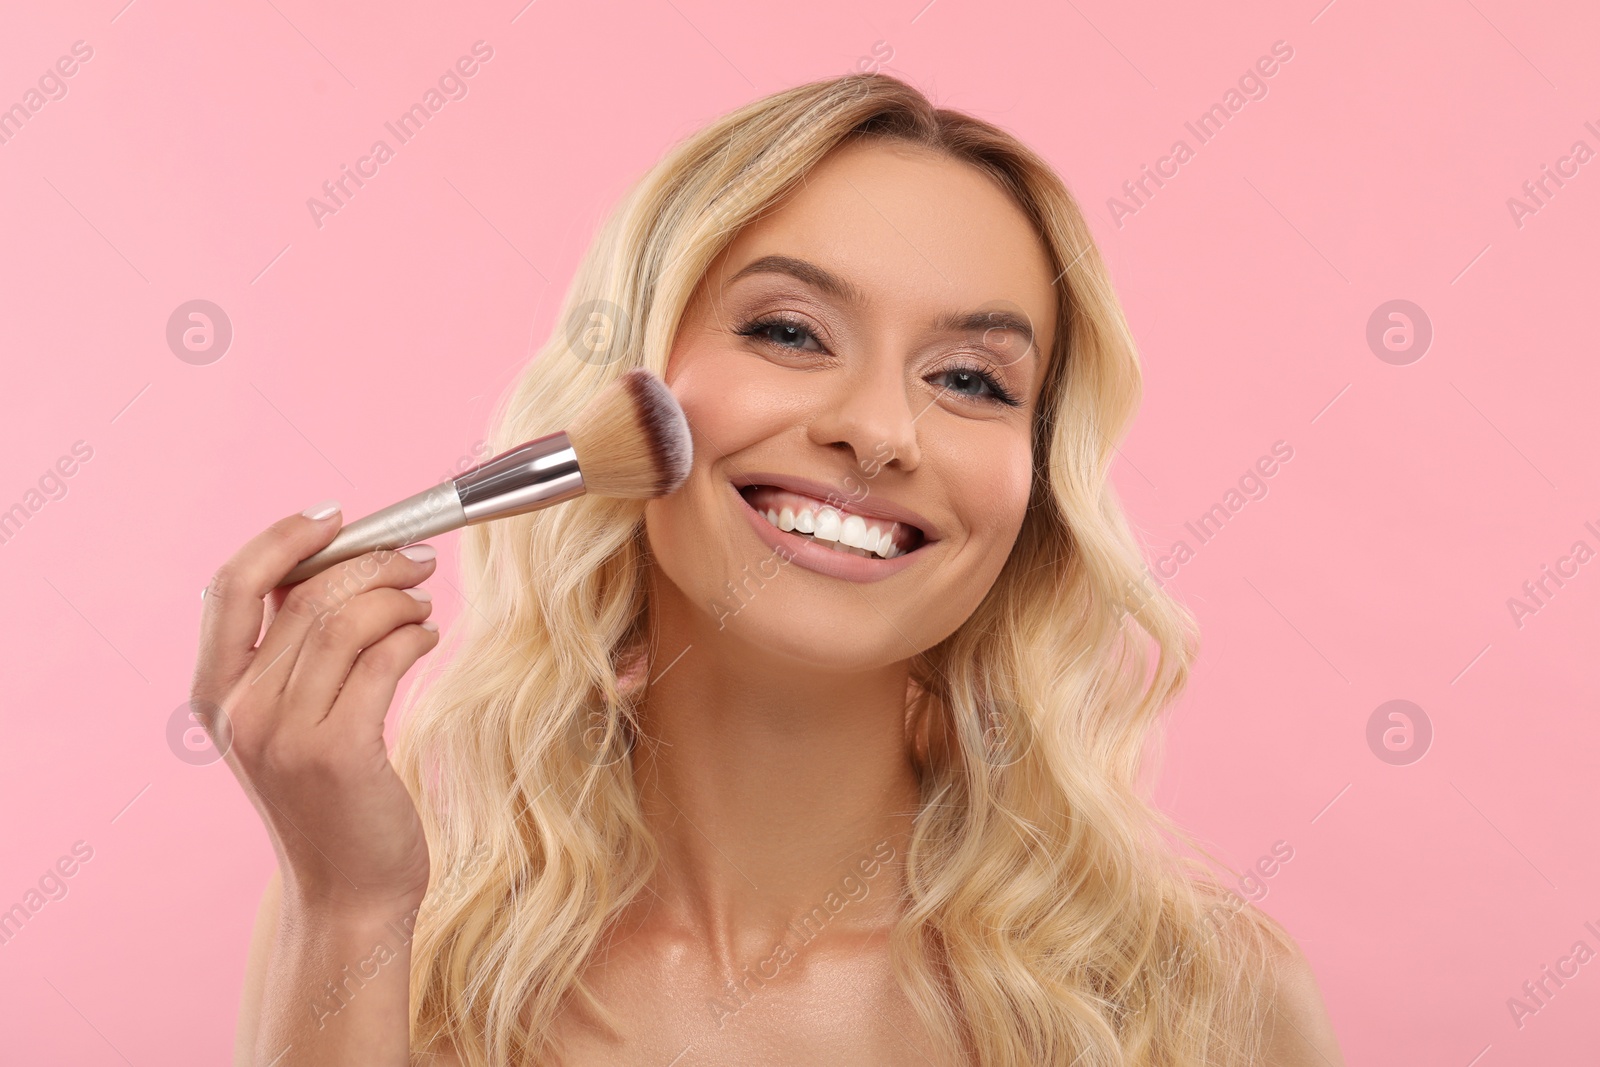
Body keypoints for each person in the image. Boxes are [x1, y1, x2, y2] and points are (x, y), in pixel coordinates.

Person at [210, 72, 1345, 1065]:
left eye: (971, 380)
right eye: (791, 331)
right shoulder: (387, 927)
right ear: (629, 389)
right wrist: (350, 909)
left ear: (1036, 492)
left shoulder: (1205, 1003)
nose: (880, 428)